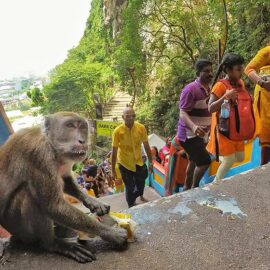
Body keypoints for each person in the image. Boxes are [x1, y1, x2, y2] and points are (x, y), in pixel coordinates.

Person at [207, 53, 247, 180]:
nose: (241, 71)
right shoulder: (220, 86)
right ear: (229, 70)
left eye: (241, 68)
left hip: (237, 127)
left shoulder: (240, 83)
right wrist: (225, 97)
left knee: (240, 157)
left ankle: (221, 156)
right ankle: (215, 185)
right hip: (224, 129)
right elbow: (210, 107)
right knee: (229, 160)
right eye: (238, 69)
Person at [177, 59, 213, 190]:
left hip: (201, 135)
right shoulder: (190, 89)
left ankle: (186, 188)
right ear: (198, 73)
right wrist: (194, 127)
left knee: (193, 161)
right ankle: (194, 188)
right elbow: (182, 113)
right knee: (204, 162)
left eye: (210, 71)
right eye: (206, 71)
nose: (210, 74)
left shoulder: (208, 88)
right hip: (189, 135)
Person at [111, 107, 153, 207]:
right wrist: (113, 169)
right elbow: (114, 151)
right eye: (128, 116)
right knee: (129, 188)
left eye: (133, 116)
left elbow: (146, 145)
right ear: (123, 117)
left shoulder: (141, 128)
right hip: (124, 163)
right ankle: (131, 206)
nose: (131, 118)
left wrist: (151, 161)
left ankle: (136, 195)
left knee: (142, 180)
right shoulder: (117, 131)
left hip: (138, 161)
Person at [245, 44, 270, 165]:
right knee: (266, 133)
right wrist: (263, 83)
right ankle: (263, 168)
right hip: (265, 95)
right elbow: (249, 69)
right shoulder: (266, 51)